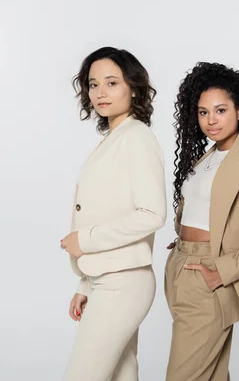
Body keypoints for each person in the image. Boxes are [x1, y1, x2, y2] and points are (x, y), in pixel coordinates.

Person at [165, 62, 239, 380]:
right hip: (181, 265)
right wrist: (182, 241)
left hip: (210, 273)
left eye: (220, 110)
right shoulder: (207, 157)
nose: (210, 120)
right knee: (212, 374)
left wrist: (222, 270)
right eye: (203, 112)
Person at [62, 46, 166, 380]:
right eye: (93, 85)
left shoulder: (137, 138)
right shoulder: (116, 136)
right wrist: (85, 283)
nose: (100, 93)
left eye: (111, 82)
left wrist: (85, 240)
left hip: (123, 283)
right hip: (108, 278)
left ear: (133, 87)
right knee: (122, 374)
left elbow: (152, 213)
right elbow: (107, 210)